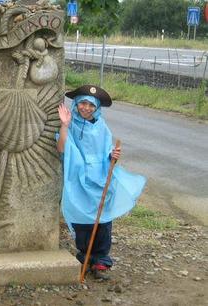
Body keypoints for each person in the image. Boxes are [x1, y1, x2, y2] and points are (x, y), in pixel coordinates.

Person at [56, 85, 146, 280]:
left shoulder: (102, 127)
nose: (86, 108)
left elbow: (106, 151)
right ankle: (85, 256)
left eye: (91, 105)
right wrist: (64, 125)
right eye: (82, 103)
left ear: (96, 107)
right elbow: (62, 149)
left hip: (101, 180)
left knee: (102, 220)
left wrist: (113, 155)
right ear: (76, 104)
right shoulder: (70, 125)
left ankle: (100, 260)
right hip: (78, 179)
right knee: (82, 220)